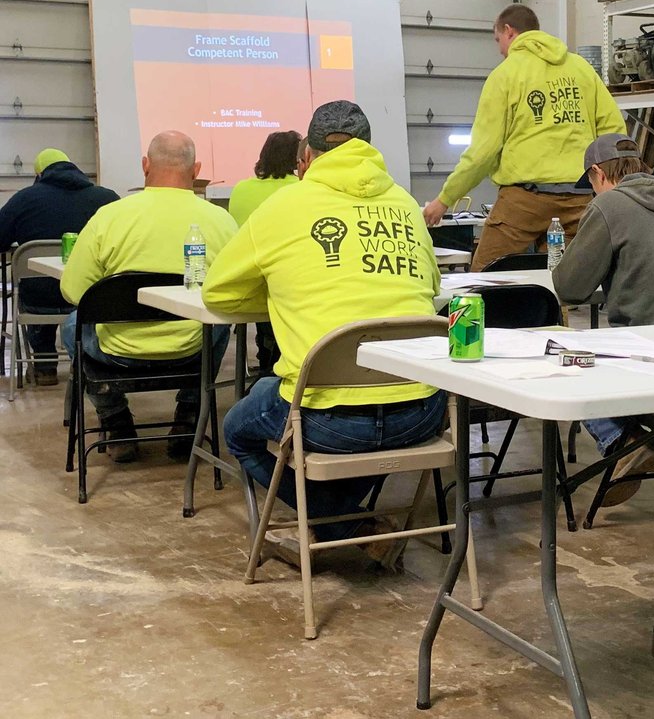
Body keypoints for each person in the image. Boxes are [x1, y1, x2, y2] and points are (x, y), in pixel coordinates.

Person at [204, 101, 444, 568]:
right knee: (344, 432)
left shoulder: (285, 206)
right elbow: (432, 290)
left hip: (327, 419)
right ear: (368, 150)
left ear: (307, 156)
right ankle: (352, 522)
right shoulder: (406, 206)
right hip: (422, 412)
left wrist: (285, 298)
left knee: (239, 430)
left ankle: (346, 526)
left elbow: (219, 294)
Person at [552, 133, 654, 505]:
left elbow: (570, 287)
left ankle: (625, 444)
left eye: (591, 184)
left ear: (598, 173)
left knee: (569, 362)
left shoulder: (609, 206)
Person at [60, 132, 236, 462]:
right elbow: (237, 291)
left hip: (117, 351)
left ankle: (116, 422)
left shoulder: (109, 216)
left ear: (145, 166)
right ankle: (189, 418)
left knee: (71, 326)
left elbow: (73, 291)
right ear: (196, 169)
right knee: (220, 324)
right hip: (190, 350)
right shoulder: (222, 221)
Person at [422, 4, 626, 270]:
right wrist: (611, 185)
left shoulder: (505, 75)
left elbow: (483, 152)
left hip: (525, 200)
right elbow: (613, 130)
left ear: (509, 31)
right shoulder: (581, 69)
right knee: (561, 281)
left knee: (482, 277)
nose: (499, 49)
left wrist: (445, 199)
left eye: (498, 40)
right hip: (578, 196)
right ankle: (554, 312)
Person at [0, 148, 119, 385]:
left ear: (40, 174)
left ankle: (44, 366)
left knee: (37, 283)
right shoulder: (107, 199)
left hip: (38, 302)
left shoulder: (24, 199)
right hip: (90, 298)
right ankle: (85, 361)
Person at [227, 130, 302, 375]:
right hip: (291, 285)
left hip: (249, 282)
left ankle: (265, 359)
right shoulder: (302, 189)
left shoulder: (240, 189)